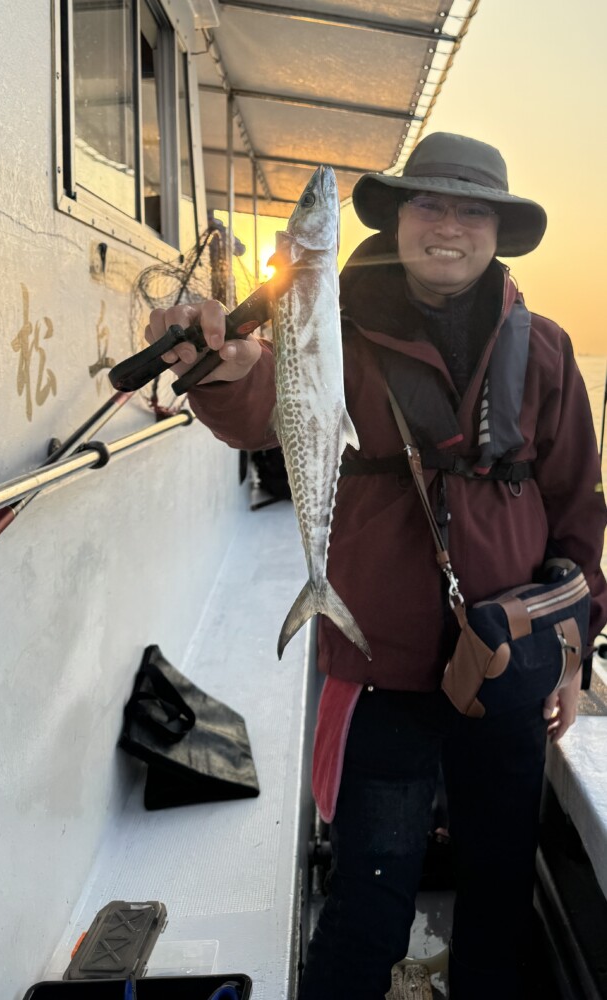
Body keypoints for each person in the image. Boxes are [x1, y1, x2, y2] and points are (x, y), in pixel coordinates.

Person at [146, 133, 607, 999]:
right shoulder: (334, 320)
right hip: (380, 667)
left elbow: (578, 513)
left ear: (499, 232)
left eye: (473, 211)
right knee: (366, 903)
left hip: (507, 667)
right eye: (428, 204)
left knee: (500, 894)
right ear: (396, 219)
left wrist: (573, 652)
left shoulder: (545, 348)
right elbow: (258, 406)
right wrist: (221, 369)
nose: (449, 227)